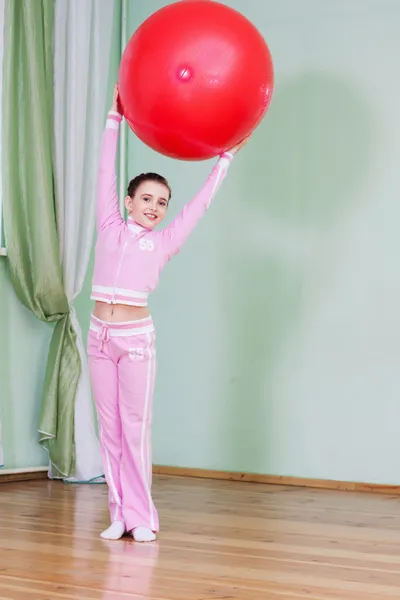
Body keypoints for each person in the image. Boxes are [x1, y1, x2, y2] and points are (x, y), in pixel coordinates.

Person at [87, 85, 249, 542]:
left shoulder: (165, 242)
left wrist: (225, 160)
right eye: (147, 198)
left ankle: (142, 517)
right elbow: (103, 173)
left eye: (162, 202)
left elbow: (199, 205)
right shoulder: (108, 224)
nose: (155, 207)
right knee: (110, 429)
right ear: (128, 201)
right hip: (98, 336)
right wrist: (113, 120)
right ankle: (118, 513)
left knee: (135, 429)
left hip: (135, 341)